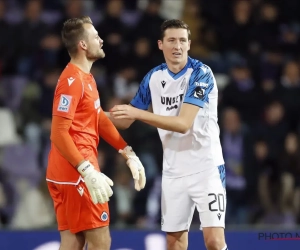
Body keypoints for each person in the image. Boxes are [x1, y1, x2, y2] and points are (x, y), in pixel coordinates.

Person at [109, 19, 228, 250]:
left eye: (182, 40)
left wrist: (138, 113)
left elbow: (183, 123)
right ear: (160, 45)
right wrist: (91, 115)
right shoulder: (153, 78)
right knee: (174, 244)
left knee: (214, 242)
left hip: (207, 168)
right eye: (171, 40)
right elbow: (125, 119)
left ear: (190, 44)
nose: (178, 46)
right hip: (173, 171)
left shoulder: (201, 73)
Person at [46, 16, 146, 250]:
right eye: (95, 36)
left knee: (73, 242)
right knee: (101, 243)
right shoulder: (72, 81)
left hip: (68, 170)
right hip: (76, 171)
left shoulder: (86, 78)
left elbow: (98, 117)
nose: (101, 40)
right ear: (82, 45)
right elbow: (58, 133)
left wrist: (127, 152)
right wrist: (87, 170)